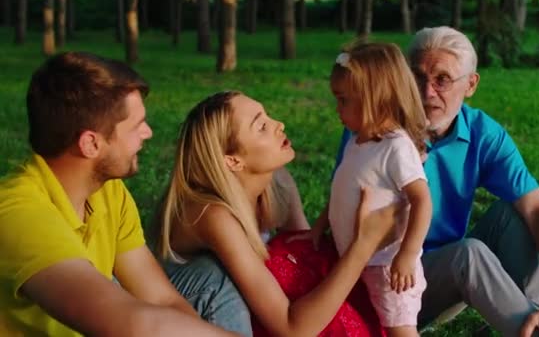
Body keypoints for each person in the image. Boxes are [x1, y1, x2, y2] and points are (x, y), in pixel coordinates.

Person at [335, 27, 539, 336]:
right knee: (468, 254)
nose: (427, 93)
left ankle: (536, 316)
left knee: (513, 216)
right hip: (388, 283)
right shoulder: (373, 126)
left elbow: (538, 211)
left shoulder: (482, 132)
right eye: (418, 77)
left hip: (444, 278)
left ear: (471, 84)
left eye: (443, 80)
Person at [0, 52, 240, 336]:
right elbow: (131, 323)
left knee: (210, 277)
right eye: (137, 125)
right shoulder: (18, 214)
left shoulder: (108, 192)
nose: (148, 133)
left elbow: (162, 299)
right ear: (91, 143)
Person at [154, 90, 397, 336]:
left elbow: (307, 260)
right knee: (225, 283)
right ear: (233, 161)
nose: (279, 125)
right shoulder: (214, 215)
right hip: (190, 301)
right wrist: (363, 245)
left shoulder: (277, 181)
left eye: (268, 116)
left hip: (242, 298)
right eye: (261, 126)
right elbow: (290, 329)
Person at [296, 42, 432, 337]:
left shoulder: (395, 146)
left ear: (376, 98)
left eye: (344, 100)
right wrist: (320, 225)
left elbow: (421, 201)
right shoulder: (357, 142)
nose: (337, 109)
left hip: (387, 265)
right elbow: (343, 188)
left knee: (401, 330)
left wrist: (407, 254)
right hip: (360, 260)